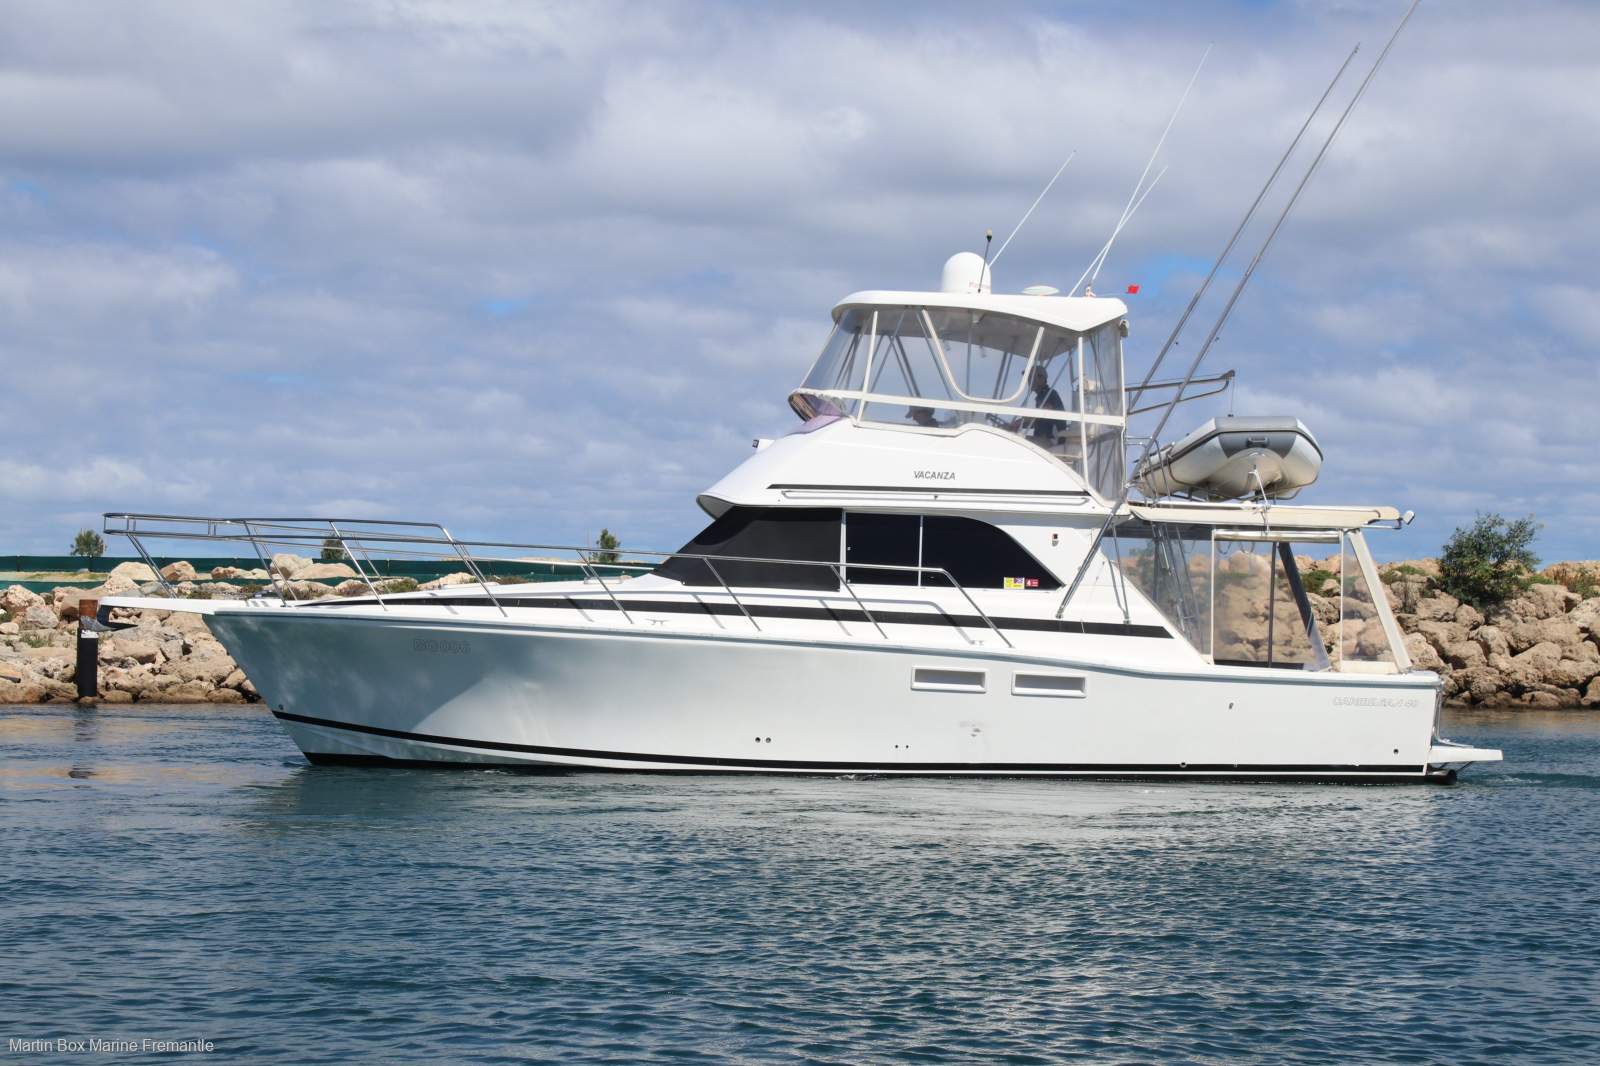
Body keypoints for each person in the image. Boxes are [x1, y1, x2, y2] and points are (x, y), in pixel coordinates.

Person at [1007, 365, 1064, 444]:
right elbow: (1037, 421)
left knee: (1013, 442)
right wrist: (1018, 424)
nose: (1028, 380)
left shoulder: (1050, 394)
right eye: (1028, 378)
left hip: (1052, 441)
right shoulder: (1041, 396)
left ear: (1041, 379)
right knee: (1012, 438)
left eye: (1031, 377)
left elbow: (1045, 412)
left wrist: (1020, 422)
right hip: (1042, 439)